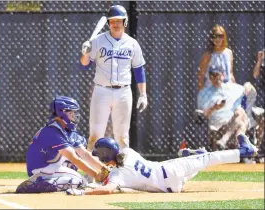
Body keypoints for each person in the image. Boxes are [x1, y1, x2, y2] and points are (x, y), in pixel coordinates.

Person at [65, 135, 257, 195]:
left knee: (197, 164)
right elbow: (118, 165)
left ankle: (197, 156)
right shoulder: (128, 153)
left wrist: (85, 191)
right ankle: (244, 151)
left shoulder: (117, 176)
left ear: (105, 157)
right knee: (208, 159)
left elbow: (108, 189)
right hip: (169, 169)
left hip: (172, 188)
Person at [80, 5, 148, 151]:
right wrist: (85, 52)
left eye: (118, 21)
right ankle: (91, 172)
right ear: (109, 23)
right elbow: (84, 65)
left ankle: (123, 170)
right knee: (95, 135)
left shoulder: (132, 43)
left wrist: (143, 94)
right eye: (112, 21)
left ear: (125, 22)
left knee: (122, 136)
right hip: (101, 91)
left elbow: (138, 70)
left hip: (123, 92)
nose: (115, 24)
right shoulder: (98, 40)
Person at [16, 96, 109, 193]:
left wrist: (103, 169)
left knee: (75, 168)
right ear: (62, 112)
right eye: (71, 112)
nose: (74, 115)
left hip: (51, 166)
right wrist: (96, 175)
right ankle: (36, 185)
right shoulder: (53, 131)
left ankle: (47, 181)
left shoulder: (67, 131)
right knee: (81, 182)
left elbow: (84, 154)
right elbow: (74, 158)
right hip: (40, 168)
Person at [197, 64, 251, 150]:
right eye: (212, 75)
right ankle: (240, 152)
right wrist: (214, 108)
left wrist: (248, 87)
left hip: (231, 125)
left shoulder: (231, 88)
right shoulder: (204, 93)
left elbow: (247, 88)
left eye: (217, 74)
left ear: (223, 75)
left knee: (240, 113)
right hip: (217, 128)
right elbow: (200, 118)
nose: (214, 77)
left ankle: (229, 144)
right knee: (241, 122)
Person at [198, 24, 235, 91]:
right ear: (212, 38)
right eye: (215, 36)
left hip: (227, 91)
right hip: (211, 92)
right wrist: (201, 94)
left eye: (220, 36)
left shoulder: (229, 53)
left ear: (224, 37)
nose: (217, 39)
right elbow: (200, 76)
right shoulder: (207, 55)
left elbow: (230, 74)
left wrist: (234, 90)